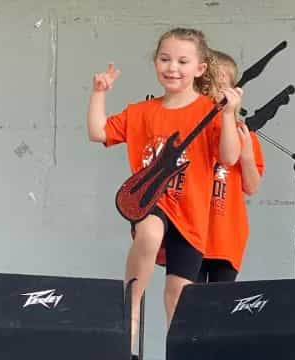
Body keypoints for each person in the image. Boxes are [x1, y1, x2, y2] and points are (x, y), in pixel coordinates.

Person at [86, 27, 242, 352]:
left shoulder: (208, 111)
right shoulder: (141, 112)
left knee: (178, 301)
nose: (172, 67)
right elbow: (98, 131)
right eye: (165, 59)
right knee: (151, 232)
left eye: (183, 61)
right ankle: (131, 307)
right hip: (150, 202)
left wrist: (228, 115)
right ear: (155, 62)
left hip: (192, 219)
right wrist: (99, 92)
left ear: (200, 68)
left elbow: (229, 156)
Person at [197, 49, 265, 283]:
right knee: (186, 304)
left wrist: (246, 155)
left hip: (226, 235)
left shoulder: (243, 133)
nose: (216, 90)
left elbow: (252, 186)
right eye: (210, 84)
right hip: (191, 232)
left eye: (223, 84)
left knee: (219, 304)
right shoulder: (191, 130)